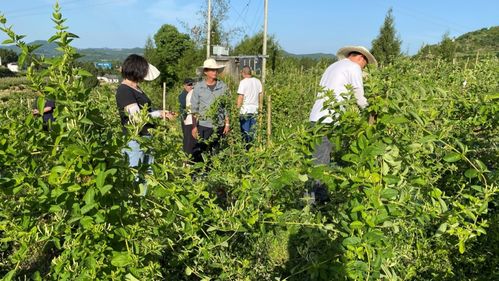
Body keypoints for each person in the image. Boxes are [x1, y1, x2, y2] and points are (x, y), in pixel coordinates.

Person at [308, 45, 377, 203]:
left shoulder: (334, 66)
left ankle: (315, 201)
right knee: (320, 165)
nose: (363, 68)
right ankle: (314, 206)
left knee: (317, 161)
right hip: (328, 120)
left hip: (316, 119)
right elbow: (360, 98)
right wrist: (374, 110)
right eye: (364, 65)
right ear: (361, 58)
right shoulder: (353, 67)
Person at [116, 54, 175, 193]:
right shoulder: (124, 90)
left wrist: (161, 113)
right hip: (135, 139)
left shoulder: (136, 88)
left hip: (146, 138)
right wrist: (159, 114)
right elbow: (137, 117)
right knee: (136, 176)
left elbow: (145, 111)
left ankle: (144, 207)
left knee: (147, 175)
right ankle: (135, 207)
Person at [190, 58, 230, 161]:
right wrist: (194, 127)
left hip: (219, 125)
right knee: (202, 151)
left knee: (216, 152)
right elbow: (194, 109)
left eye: (216, 70)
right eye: (212, 70)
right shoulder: (199, 87)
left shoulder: (223, 87)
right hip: (204, 125)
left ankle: (214, 174)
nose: (215, 72)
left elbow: (227, 106)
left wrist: (227, 123)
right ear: (206, 72)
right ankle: (201, 174)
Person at [236, 65, 262, 145]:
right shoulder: (258, 81)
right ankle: (252, 147)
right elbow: (260, 95)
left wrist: (237, 109)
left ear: (243, 73)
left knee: (245, 131)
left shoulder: (243, 82)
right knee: (253, 131)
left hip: (245, 110)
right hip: (255, 110)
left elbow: (241, 97)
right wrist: (261, 107)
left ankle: (246, 148)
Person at [178, 78, 196, 156]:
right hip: (185, 119)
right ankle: (186, 156)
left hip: (193, 118)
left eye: (191, 84)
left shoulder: (193, 93)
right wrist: (184, 119)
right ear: (184, 85)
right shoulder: (182, 96)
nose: (190, 86)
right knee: (187, 137)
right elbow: (185, 108)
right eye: (189, 85)